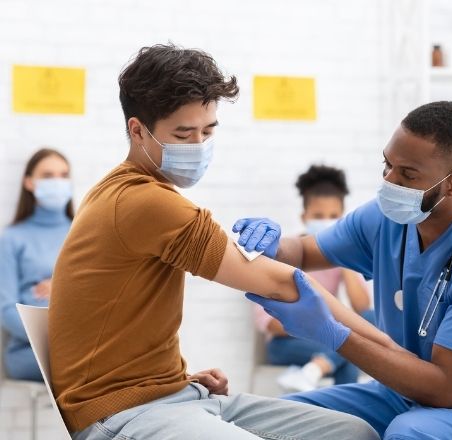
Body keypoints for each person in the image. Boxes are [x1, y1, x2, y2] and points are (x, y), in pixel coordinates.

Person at [48, 44, 386, 440]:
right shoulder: (144, 201)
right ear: (137, 130)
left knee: (353, 433)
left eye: (207, 132)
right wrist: (393, 354)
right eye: (182, 133)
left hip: (177, 395)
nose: (197, 146)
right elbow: (281, 282)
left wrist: (175, 379)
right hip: (122, 413)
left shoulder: (125, 192)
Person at [236, 101, 452, 439]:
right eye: (387, 165)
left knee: (409, 434)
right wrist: (275, 244)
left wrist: (334, 335)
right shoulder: (386, 220)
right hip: (408, 394)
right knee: (285, 419)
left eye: (407, 174)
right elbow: (305, 252)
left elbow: (445, 390)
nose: (389, 182)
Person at [255, 164, 374, 392]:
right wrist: (319, 327)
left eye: (334, 217)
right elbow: (267, 323)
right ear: (304, 216)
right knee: (350, 350)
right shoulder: (281, 252)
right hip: (285, 343)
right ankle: (345, 419)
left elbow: (363, 310)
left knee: (370, 323)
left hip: (324, 337)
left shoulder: (340, 255)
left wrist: (342, 258)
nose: (326, 221)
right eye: (318, 216)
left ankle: (314, 370)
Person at [0, 148, 74, 381]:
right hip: (29, 351)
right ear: (29, 183)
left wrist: (62, 285)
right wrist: (55, 338)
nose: (58, 182)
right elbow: (5, 309)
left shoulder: (84, 233)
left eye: (63, 175)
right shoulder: (12, 238)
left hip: (82, 343)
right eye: (48, 176)